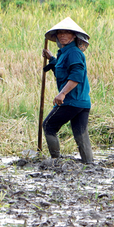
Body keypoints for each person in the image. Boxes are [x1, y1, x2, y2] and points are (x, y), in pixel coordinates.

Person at [42, 17, 93, 164]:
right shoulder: (64, 53)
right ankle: (88, 163)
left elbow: (76, 76)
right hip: (82, 102)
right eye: (60, 33)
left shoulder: (74, 53)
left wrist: (62, 93)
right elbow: (62, 70)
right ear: (57, 36)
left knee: (48, 125)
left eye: (67, 33)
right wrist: (52, 59)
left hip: (71, 101)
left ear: (74, 36)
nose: (63, 35)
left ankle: (56, 160)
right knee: (80, 133)